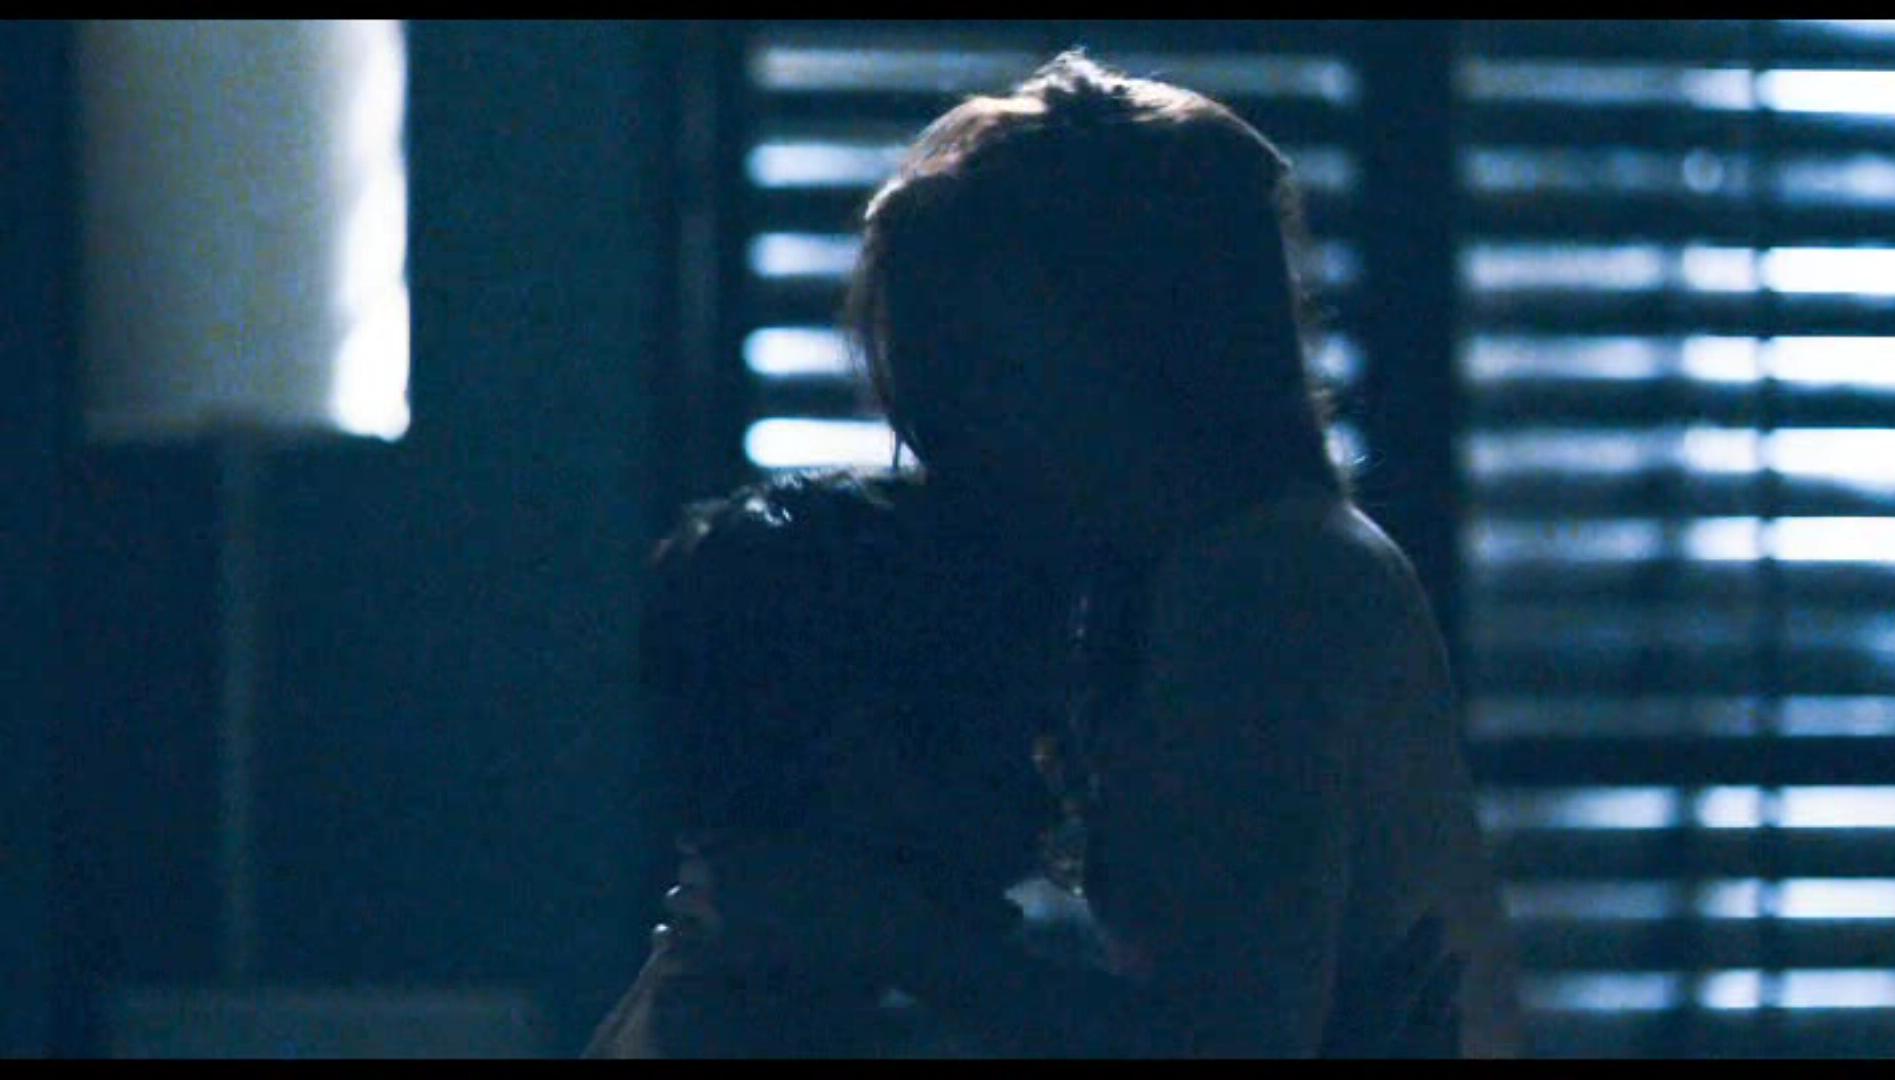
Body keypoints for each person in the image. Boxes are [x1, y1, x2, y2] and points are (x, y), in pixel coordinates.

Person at [587, 50, 1524, 1058]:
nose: (950, 444)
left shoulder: (1258, 589)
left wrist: (896, 938)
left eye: (983, 368)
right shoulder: (1259, 571)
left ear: (1124, 345)